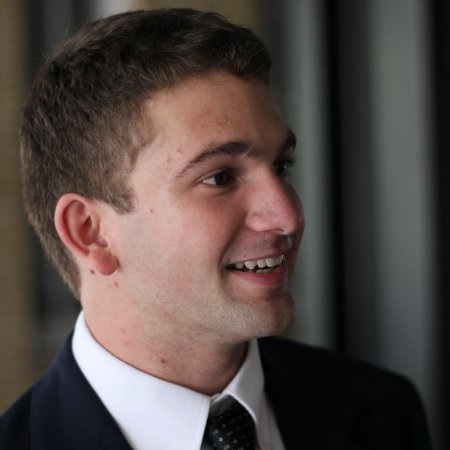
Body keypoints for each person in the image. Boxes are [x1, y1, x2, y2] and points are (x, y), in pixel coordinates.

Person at [0, 8, 432, 450]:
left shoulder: (384, 410)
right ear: (90, 232)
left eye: (281, 167)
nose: (287, 216)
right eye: (220, 177)